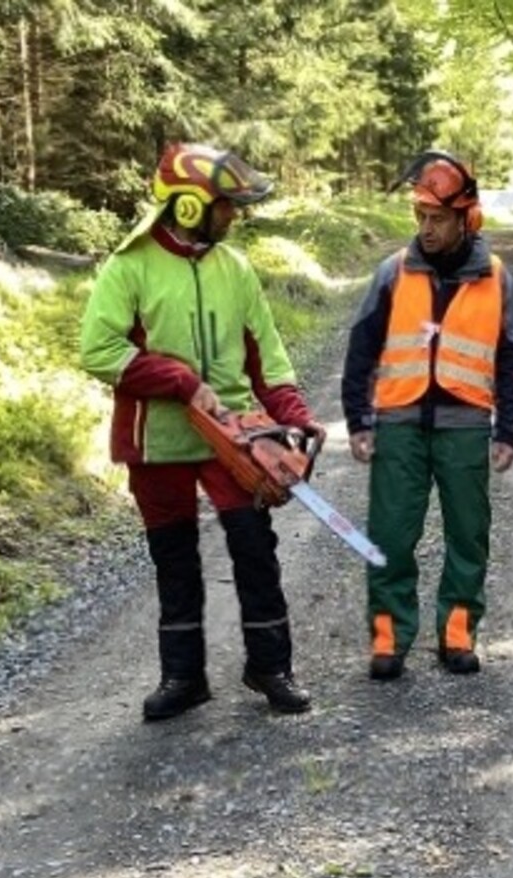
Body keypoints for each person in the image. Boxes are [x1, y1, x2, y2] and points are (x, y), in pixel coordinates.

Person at [79, 143, 321, 720]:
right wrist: (179, 381)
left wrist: (294, 416)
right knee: (174, 558)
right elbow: (98, 349)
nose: (233, 215)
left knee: (254, 547)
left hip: (234, 437)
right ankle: (183, 677)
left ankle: (270, 665)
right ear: (189, 207)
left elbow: (269, 359)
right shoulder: (129, 265)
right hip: (156, 440)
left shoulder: (233, 268)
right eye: (225, 205)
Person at [340, 150, 513, 680]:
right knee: (390, 536)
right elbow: (361, 350)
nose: (426, 228)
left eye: (437, 219)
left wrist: (509, 429)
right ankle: (388, 639)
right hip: (398, 424)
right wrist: (358, 421)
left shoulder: (495, 278)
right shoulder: (393, 273)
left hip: (466, 427)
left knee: (468, 537)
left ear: (466, 218)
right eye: (420, 217)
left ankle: (458, 635)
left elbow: (512, 359)